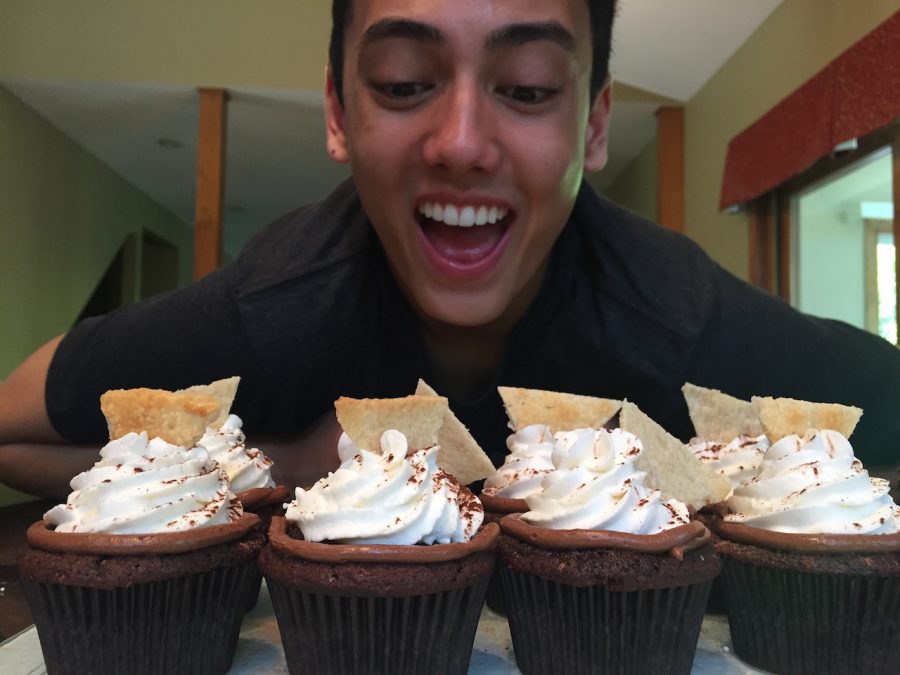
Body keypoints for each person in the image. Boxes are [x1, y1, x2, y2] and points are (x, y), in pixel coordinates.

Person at [1, 0, 898, 499]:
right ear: (338, 113)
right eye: (402, 83)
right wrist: (281, 462)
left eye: (527, 86)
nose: (461, 141)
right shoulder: (279, 305)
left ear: (592, 126)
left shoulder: (671, 311)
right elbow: (12, 423)